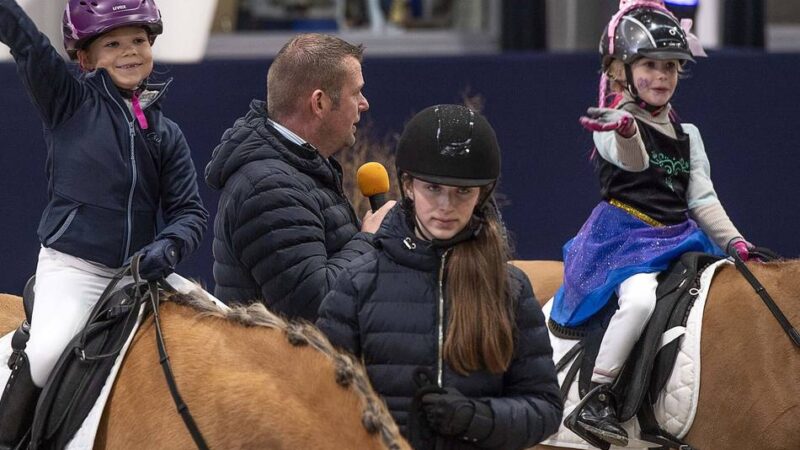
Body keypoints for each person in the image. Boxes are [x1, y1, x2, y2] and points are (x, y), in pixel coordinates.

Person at [0, 0, 207, 446]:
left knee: (221, 323)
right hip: (75, 270)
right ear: (86, 58)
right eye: (112, 43)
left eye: (138, 40)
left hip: (139, 272)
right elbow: (27, 42)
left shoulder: (166, 133)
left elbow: (190, 212)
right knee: (47, 352)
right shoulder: (66, 101)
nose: (129, 51)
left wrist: (169, 246)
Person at [551, 1, 754, 446]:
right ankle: (598, 396)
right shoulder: (610, 124)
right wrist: (625, 131)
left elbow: (701, 198)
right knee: (640, 302)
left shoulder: (689, 136)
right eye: (649, 65)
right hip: (623, 240)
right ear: (622, 69)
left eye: (670, 67)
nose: (661, 76)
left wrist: (736, 242)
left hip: (678, 239)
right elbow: (632, 158)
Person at [317, 104, 563, 450]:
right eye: (433, 188)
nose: (446, 206)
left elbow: (545, 409)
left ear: (482, 194)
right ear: (409, 186)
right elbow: (320, 402)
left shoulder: (511, 290)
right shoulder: (357, 285)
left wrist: (475, 417)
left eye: (462, 191)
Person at [205, 33, 394, 320]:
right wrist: (369, 240)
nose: (364, 104)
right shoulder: (269, 188)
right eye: (356, 92)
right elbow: (315, 309)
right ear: (319, 103)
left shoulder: (301, 168)